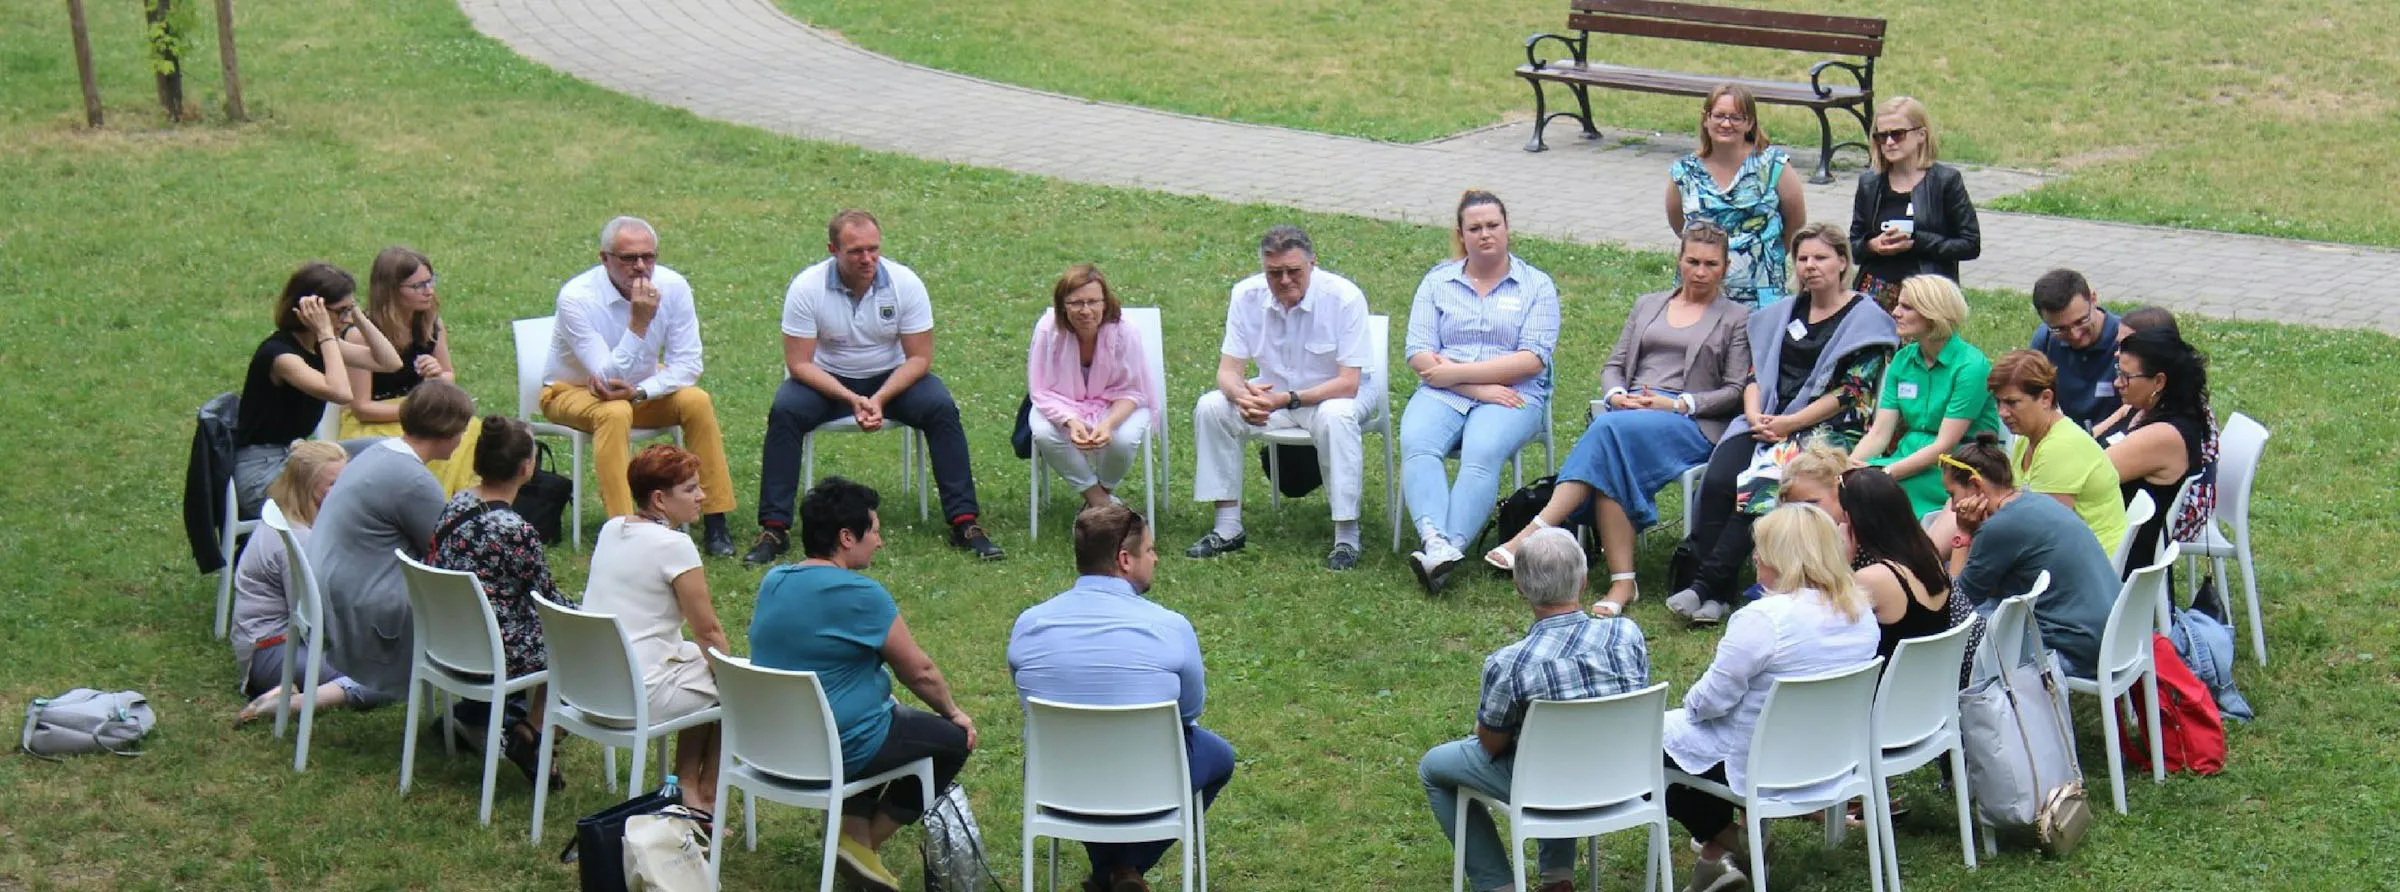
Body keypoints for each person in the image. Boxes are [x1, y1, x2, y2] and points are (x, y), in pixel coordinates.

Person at [1483, 222, 1750, 615]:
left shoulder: (1737, 318)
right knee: (1613, 450)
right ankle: (1622, 585)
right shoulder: (1648, 304)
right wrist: (1616, 394)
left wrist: (1677, 404)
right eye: (1692, 261)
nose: (1700, 271)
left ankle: (1535, 531)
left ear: (1724, 268)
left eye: (1711, 264)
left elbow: (1734, 390)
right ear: (1679, 260)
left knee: (1608, 432)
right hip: (1629, 415)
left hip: (1688, 422)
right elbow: (1615, 364)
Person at [1665, 221, 1899, 623]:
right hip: (1765, 420)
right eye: (1803, 258)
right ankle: (1715, 592)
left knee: (1764, 487)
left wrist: (1790, 424)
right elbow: (1755, 376)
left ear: (1842, 262)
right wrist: (1755, 415)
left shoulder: (1866, 319)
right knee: (1721, 480)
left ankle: (1708, 585)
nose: (1810, 266)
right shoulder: (1781, 314)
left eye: (1821, 258)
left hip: (1826, 429)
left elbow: (1852, 392)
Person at [752, 476, 976, 892]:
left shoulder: (775, 580)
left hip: (772, 745)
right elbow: (920, 672)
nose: (880, 541)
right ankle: (862, 846)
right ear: (846, 537)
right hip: (835, 747)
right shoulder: (860, 593)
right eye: (874, 530)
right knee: (950, 741)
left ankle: (852, 834)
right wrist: (955, 713)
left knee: (889, 717)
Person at [751, 209, 1004, 564]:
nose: (867, 259)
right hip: (827, 381)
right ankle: (774, 529)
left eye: (873, 249)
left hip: (893, 378)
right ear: (832, 250)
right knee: (785, 411)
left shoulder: (905, 283)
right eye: (856, 251)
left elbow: (919, 358)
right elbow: (799, 364)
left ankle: (965, 522)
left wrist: (880, 398)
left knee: (941, 407)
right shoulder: (807, 287)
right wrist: (853, 398)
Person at [1008, 504, 1231, 892]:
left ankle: (1113, 872)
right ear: (1125, 559)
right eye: (1150, 550)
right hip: (1150, 789)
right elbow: (1190, 710)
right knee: (1218, 755)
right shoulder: (1171, 627)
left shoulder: (1029, 623)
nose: (1156, 558)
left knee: (1083, 750)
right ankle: (1123, 868)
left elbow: (1027, 698)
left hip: (1057, 787)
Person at [1418, 528, 1649, 892]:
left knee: (1434, 766)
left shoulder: (1510, 663)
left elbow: (1491, 746)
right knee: (1553, 751)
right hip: (1623, 779)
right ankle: (1557, 880)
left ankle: (1498, 884)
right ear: (1585, 581)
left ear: (1519, 587)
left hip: (1548, 783)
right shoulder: (1626, 635)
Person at [1663, 503, 1878, 891]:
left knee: (1649, 741)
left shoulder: (1764, 619)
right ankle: (1725, 851)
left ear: (1779, 558)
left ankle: (1726, 845)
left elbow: (1711, 701)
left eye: (1760, 549)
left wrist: (1691, 705)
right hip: (1831, 757)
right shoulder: (1861, 612)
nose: (1755, 556)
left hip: (1763, 764)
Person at [542, 216, 739, 558]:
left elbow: (689, 364)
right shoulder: (576, 297)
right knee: (615, 411)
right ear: (604, 259)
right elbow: (603, 378)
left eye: (648, 257)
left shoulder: (673, 286)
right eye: (629, 259)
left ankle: (715, 518)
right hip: (572, 390)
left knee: (696, 401)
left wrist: (641, 392)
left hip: (641, 389)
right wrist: (639, 322)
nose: (641, 267)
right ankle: (625, 529)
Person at [1187, 224, 1379, 571]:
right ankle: (1227, 527)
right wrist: (1242, 396)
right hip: (1274, 393)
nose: (1285, 280)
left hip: (1333, 395)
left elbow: (1348, 383)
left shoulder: (1344, 297)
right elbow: (1228, 371)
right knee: (1211, 406)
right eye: (1275, 273)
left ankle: (1346, 536)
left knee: (1337, 417)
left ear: (1312, 264)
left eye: (1294, 271)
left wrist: (1287, 399)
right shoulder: (1245, 295)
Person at [1399, 191, 1561, 593]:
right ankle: (1435, 541)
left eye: (1493, 225)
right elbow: (1417, 352)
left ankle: (1448, 549)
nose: (1485, 234)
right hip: (1450, 390)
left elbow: (1531, 360)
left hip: (1514, 394)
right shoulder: (1438, 281)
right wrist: (1477, 387)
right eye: (1475, 228)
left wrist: (1459, 374)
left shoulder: (1536, 285)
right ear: (1461, 234)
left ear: (1507, 228)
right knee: (1417, 442)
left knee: (1481, 452)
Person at [581, 444, 729, 813]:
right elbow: (708, 631)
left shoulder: (613, 527)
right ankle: (700, 798)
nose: (702, 496)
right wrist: (736, 679)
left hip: (587, 690)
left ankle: (685, 785)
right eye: (691, 489)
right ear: (660, 499)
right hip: (634, 697)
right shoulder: (674, 545)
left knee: (705, 667)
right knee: (731, 685)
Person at [311, 379, 475, 704]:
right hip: (364, 607)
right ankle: (482, 711)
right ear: (447, 431)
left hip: (330, 589)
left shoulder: (377, 450)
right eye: (462, 430)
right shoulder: (412, 480)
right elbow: (452, 556)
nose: (462, 439)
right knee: (485, 612)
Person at [427, 415, 569, 789]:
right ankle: (536, 735)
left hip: (445, 641)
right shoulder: (515, 530)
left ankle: (479, 717)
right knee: (576, 642)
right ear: (527, 467)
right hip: (491, 653)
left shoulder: (458, 502)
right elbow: (547, 601)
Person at [232, 261, 402, 517]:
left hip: (298, 457)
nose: (346, 320)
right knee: (352, 496)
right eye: (341, 312)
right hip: (263, 473)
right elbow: (341, 393)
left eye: (350, 309)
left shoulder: (320, 345)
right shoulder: (281, 356)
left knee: (388, 450)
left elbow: (390, 362)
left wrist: (356, 315)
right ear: (310, 311)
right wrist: (325, 332)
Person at [1941, 435, 2118, 678]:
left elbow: (1955, 607)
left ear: (1976, 485)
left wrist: (1963, 535)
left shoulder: (2000, 528)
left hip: (2071, 654)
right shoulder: (2035, 500)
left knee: (1951, 632)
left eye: (1952, 495)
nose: (1952, 508)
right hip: (2111, 638)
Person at [230, 441, 363, 725]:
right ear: (305, 486)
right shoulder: (299, 540)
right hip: (274, 650)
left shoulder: (285, 513)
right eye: (332, 484)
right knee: (387, 681)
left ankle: (285, 692)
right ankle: (296, 703)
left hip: (273, 644)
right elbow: (315, 618)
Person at [336, 246, 484, 495]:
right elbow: (361, 408)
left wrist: (437, 376)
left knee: (469, 427)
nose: (429, 291)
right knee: (432, 439)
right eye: (418, 286)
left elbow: (449, 375)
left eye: (430, 281)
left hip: (420, 411)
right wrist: (421, 411)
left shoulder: (430, 324)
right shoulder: (362, 335)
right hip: (379, 420)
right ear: (391, 290)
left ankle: (460, 506)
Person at [1849, 275, 2000, 517]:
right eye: (1898, 304)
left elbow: (1945, 445)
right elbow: (1879, 433)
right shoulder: (1902, 360)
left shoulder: (1971, 366)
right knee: (1844, 487)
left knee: (1872, 494)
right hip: (1907, 460)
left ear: (1934, 312)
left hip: (1958, 467)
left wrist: (1886, 474)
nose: (1895, 312)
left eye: (1907, 307)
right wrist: (1848, 468)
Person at [1026, 264, 1163, 511]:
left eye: (1093, 302)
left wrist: (1108, 424)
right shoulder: (1048, 330)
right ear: (1063, 306)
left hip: (1118, 404)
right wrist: (1070, 421)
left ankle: (1101, 496)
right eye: (1076, 303)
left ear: (1105, 303)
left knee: (1124, 439)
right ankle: (1101, 502)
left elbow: (1132, 391)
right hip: (1062, 403)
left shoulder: (1125, 332)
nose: (1085, 311)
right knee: (1044, 433)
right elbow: (1040, 390)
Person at [1664, 84, 1806, 307]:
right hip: (1700, 288)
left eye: (1736, 117)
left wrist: (1770, 254)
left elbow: (1796, 223)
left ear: (1750, 123)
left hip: (1761, 289)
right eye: (1719, 116)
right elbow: (1678, 225)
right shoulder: (1685, 171)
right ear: (1706, 119)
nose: (1726, 124)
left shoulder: (1773, 165)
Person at [2096, 328, 2218, 573]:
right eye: (2118, 372)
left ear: (2159, 381)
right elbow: (2090, 439)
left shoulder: (2165, 435)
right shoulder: (2140, 407)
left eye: (2126, 376)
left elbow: (2085, 475)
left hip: (2120, 557)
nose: (2117, 382)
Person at [1984, 351, 2124, 549]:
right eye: (1998, 402)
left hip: (2084, 564)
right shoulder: (2028, 437)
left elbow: (2042, 532)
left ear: (2045, 398)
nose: (2002, 413)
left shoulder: (2060, 447)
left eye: (2012, 402)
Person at [1848, 97, 1981, 306]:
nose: (1889, 142)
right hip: (1876, 289)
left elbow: (1970, 244)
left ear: (1921, 135)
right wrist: (1872, 245)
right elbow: (1852, 246)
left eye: (1897, 134)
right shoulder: (1870, 184)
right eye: (1882, 136)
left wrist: (1917, 242)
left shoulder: (1945, 181)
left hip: (1926, 292)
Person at [1825, 462, 1960, 662]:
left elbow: (1825, 628)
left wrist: (1841, 561)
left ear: (1851, 520)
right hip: (1925, 682)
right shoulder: (1928, 556)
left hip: (1883, 687)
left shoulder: (1872, 579)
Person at [2026, 269, 2122, 429]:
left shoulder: (2125, 339)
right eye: (2060, 329)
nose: (2075, 335)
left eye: (2081, 321)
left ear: (2093, 299)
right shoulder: (2045, 341)